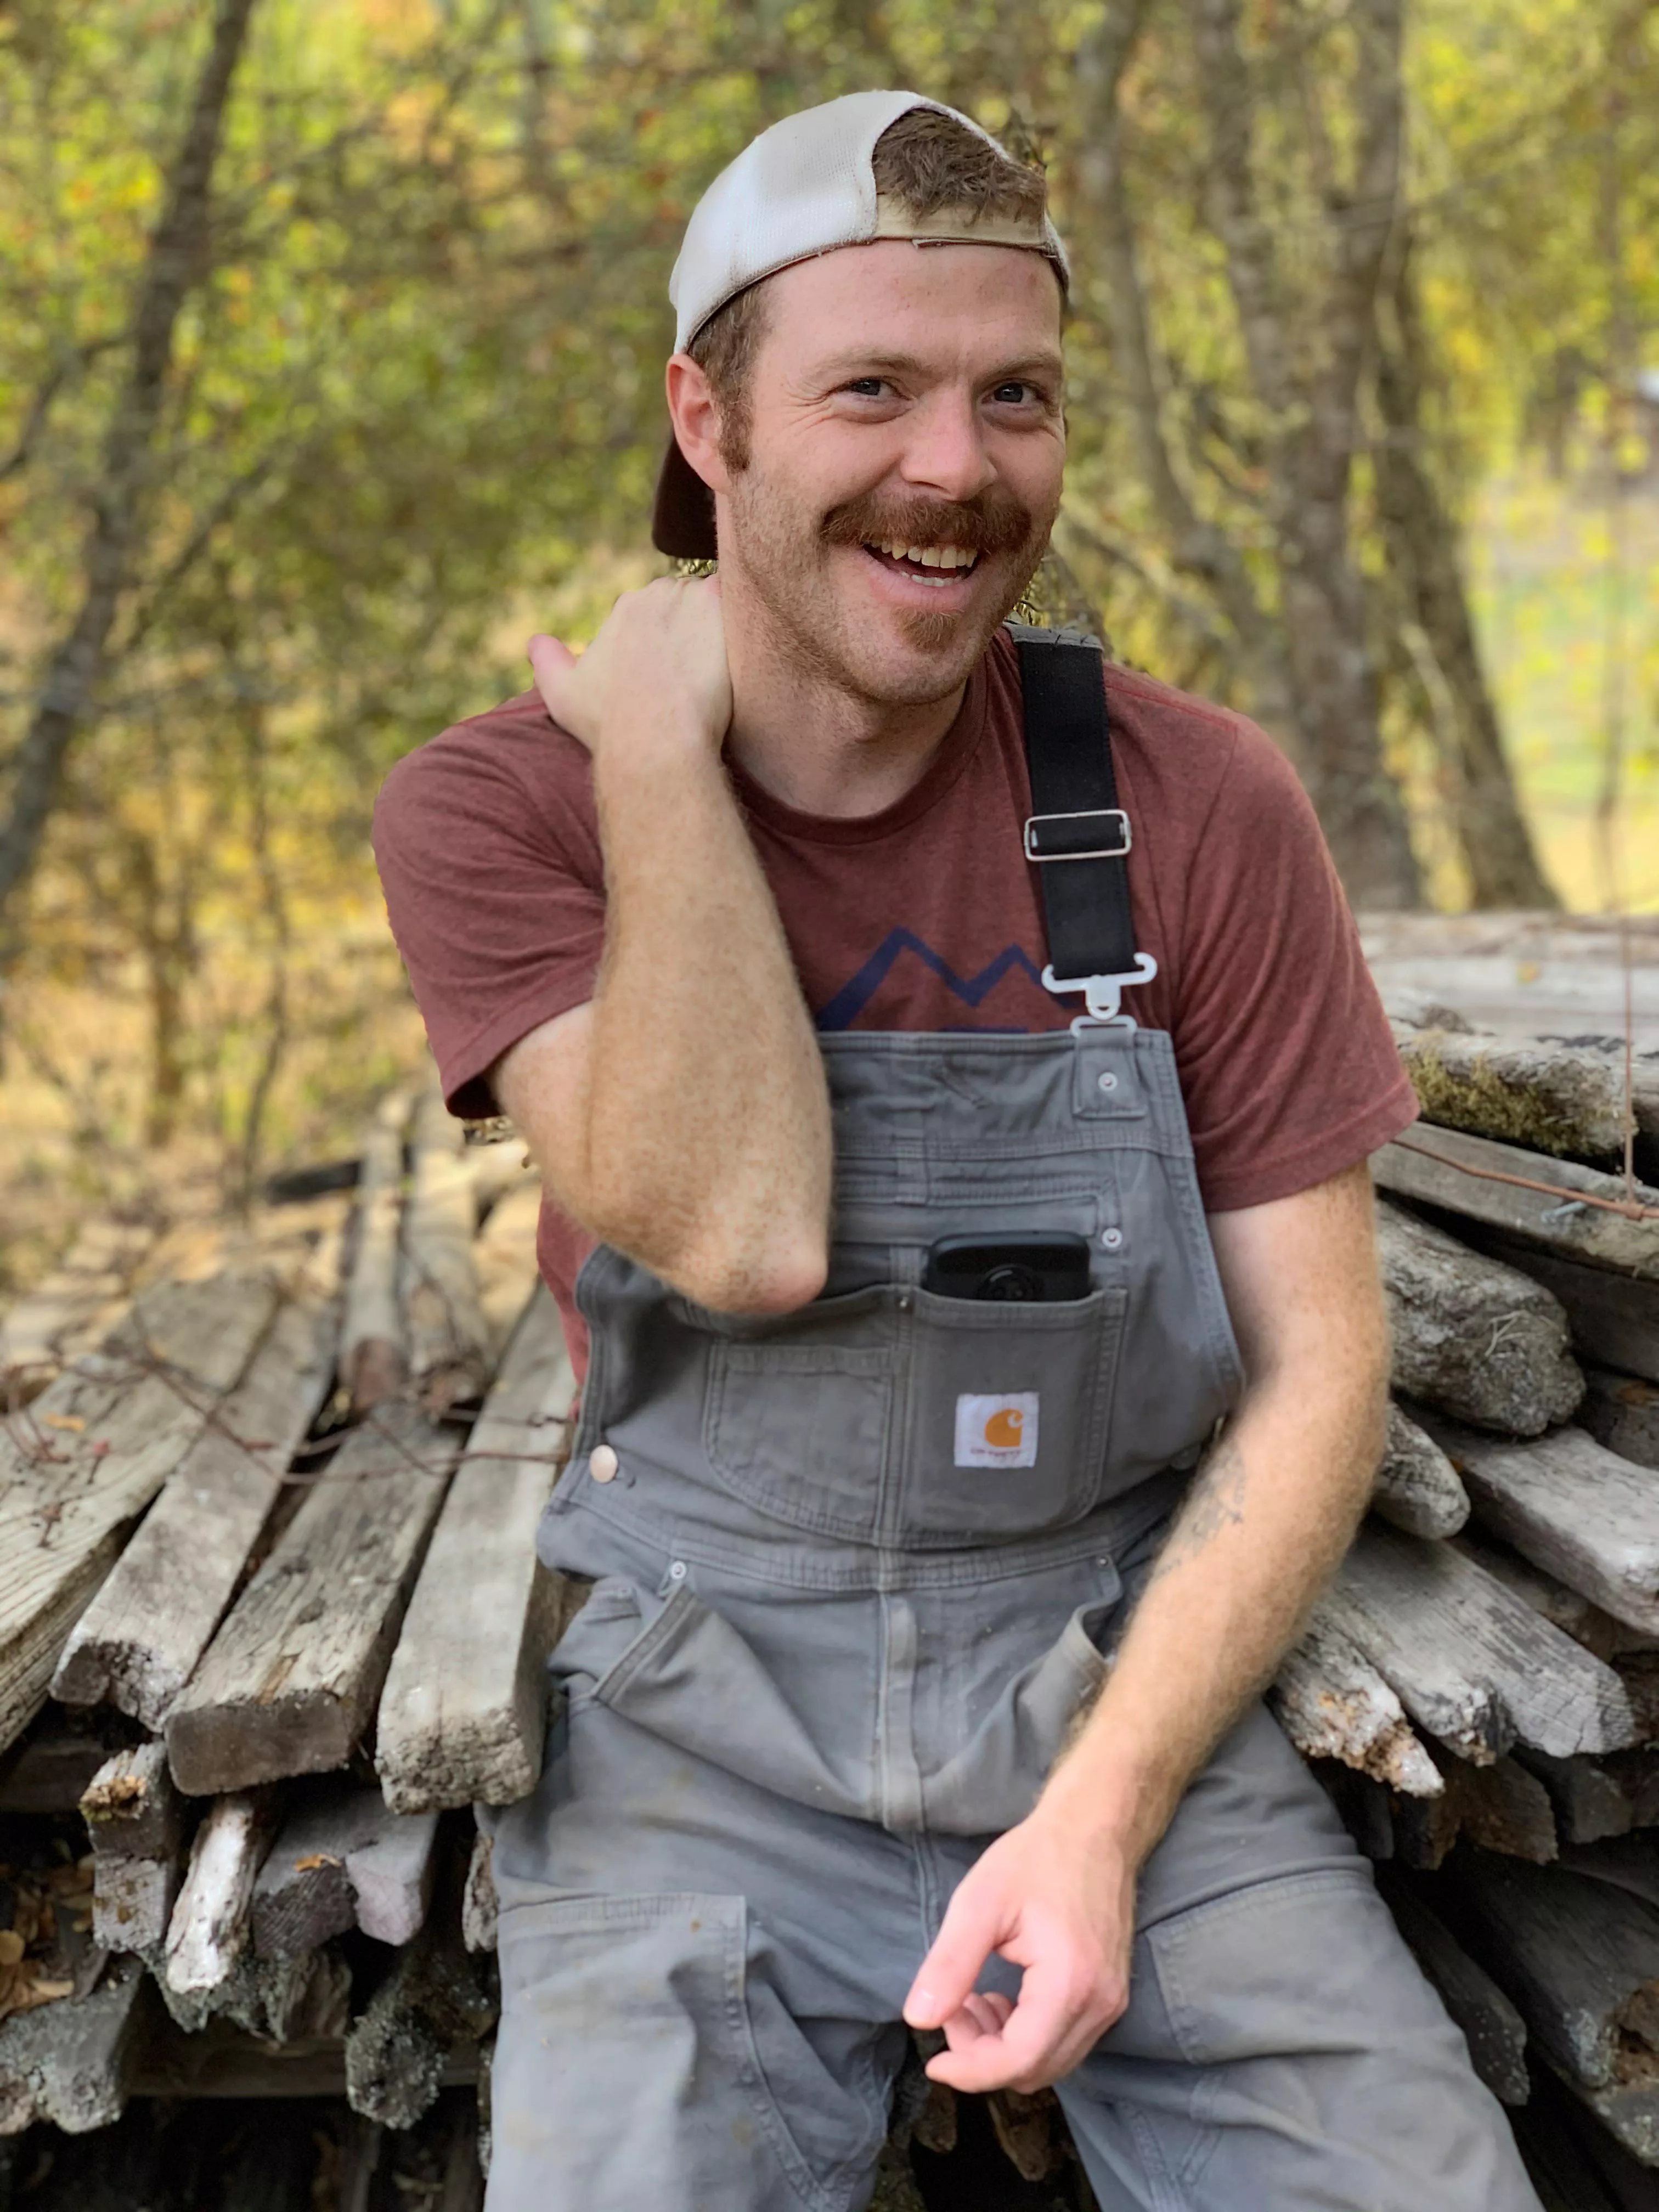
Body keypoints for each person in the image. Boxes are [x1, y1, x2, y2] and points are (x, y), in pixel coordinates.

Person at [373, 89, 1543, 2212]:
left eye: (1018, 397)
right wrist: (656, 744)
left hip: (1112, 1674)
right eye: (874, 391)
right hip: (689, 1714)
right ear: (705, 424)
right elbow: (737, 1229)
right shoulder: (502, 813)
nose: (955, 469)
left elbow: (1319, 1378)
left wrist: (1099, 1816)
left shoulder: (1199, 802)